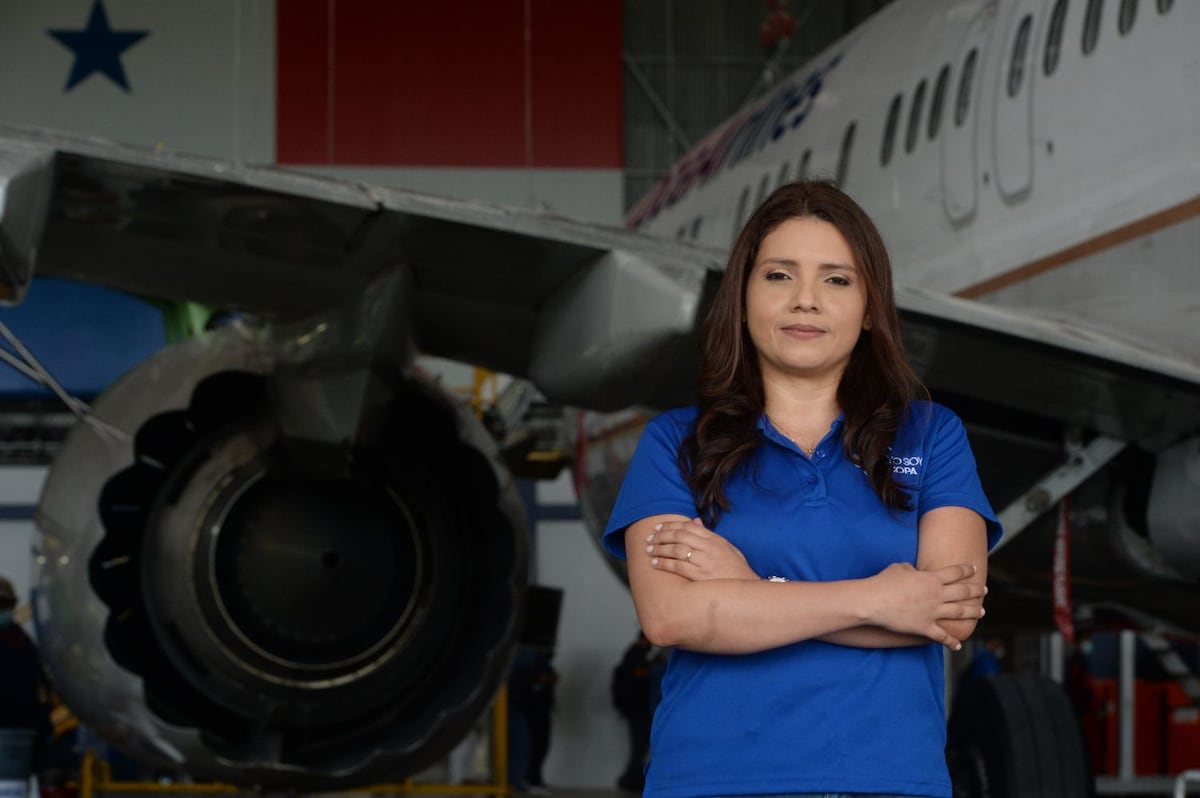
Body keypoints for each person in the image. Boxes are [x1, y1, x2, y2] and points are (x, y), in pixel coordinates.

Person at [602, 180, 1002, 798]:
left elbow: (948, 612)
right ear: (742, 299)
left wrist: (751, 590)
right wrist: (880, 600)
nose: (806, 300)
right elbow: (672, 616)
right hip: (714, 781)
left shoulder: (931, 434)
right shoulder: (675, 443)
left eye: (836, 279)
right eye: (779, 276)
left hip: (888, 780)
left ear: (869, 309)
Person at [0, 576, 53, 794]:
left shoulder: (21, 642)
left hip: (19, 742)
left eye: (5, 605)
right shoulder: (21, 642)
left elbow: (40, 694)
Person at [611, 630, 658, 791]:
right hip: (637, 709)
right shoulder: (635, 655)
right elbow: (637, 673)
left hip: (637, 708)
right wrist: (652, 667)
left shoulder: (636, 654)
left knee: (640, 746)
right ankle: (630, 780)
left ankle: (633, 779)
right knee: (639, 746)